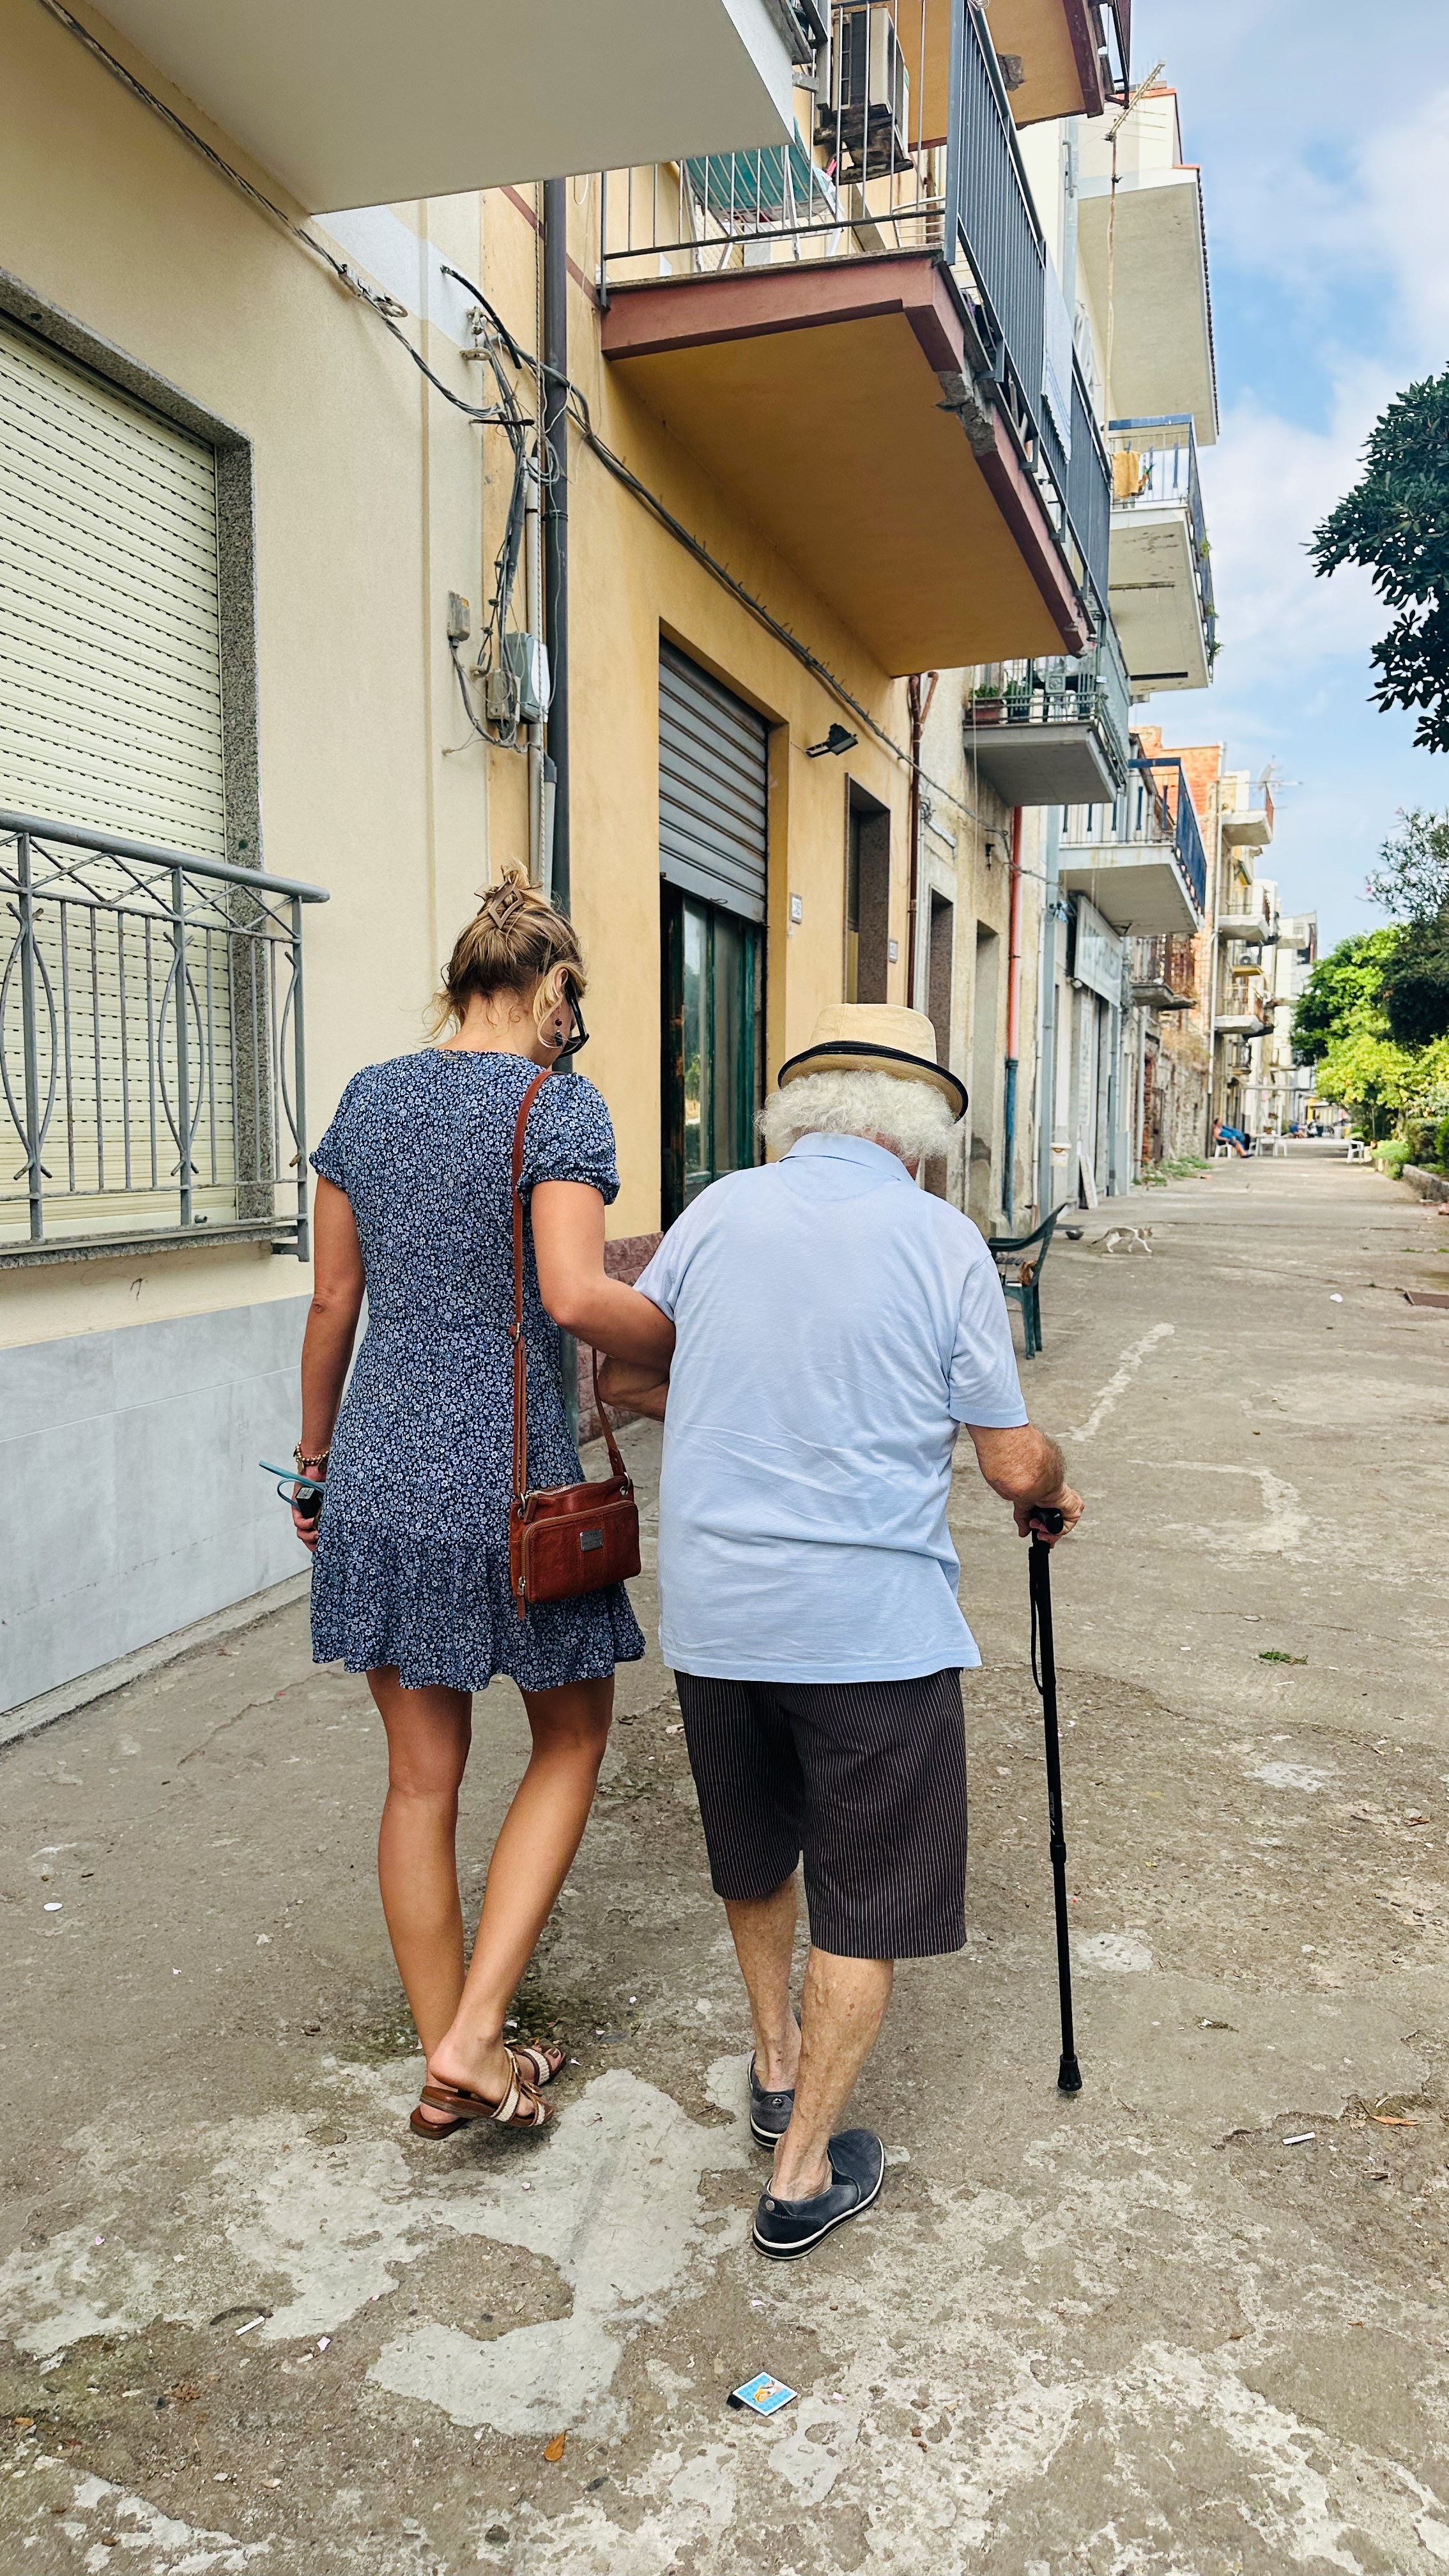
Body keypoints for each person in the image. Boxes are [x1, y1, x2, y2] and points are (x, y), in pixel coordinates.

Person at [602, 1004, 1082, 2261]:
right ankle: (803, 2172)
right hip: (871, 1634)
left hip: (718, 1619)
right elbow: (1008, 1461)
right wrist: (1054, 1484)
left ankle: (774, 2066)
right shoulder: (938, 1241)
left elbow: (625, 1377)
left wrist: (737, 1401)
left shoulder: (717, 1211)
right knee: (866, 1901)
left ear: (803, 1115)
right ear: (919, 1135)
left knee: (756, 1853)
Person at [291, 873, 674, 2138]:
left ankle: (447, 2062)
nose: (579, 1026)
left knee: (420, 1780)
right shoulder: (555, 1107)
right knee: (569, 1739)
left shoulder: (365, 1098)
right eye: (576, 1001)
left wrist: (314, 1465)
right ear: (540, 987)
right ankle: (471, 2039)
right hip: (513, 1490)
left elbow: (332, 1304)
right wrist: (682, 1335)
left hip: (382, 1478)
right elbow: (575, 1295)